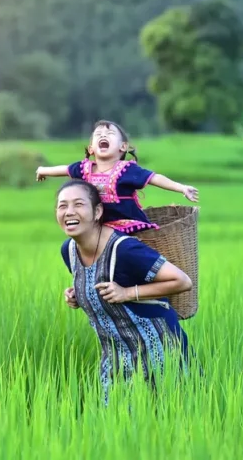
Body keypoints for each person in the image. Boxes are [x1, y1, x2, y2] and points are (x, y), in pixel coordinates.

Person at [55, 178, 194, 402]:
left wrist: (127, 293)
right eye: (63, 206)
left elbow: (182, 281)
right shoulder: (69, 250)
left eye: (78, 204)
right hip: (115, 356)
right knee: (114, 426)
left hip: (158, 351)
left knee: (168, 421)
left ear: (98, 211)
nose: (69, 211)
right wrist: (78, 294)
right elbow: (99, 281)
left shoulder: (125, 249)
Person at [37, 120, 198, 234]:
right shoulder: (84, 168)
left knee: (117, 245)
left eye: (110, 133)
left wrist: (181, 188)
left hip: (126, 226)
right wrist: (43, 170)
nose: (103, 135)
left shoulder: (126, 170)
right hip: (97, 226)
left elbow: (155, 178)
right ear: (91, 148)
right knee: (70, 247)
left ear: (123, 147)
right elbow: (64, 169)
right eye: (98, 134)